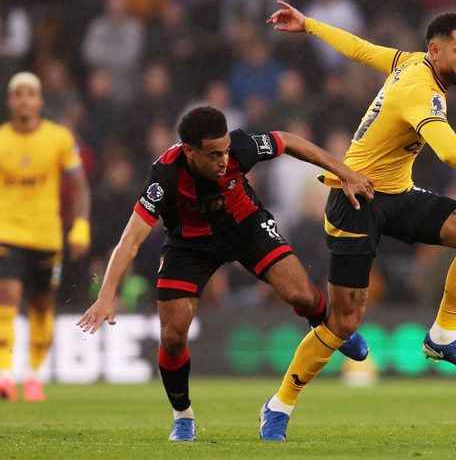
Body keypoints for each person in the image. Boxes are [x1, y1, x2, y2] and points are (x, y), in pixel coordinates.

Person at [260, 0, 456, 441]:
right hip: (353, 198)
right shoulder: (421, 89)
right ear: (436, 50)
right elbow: (451, 153)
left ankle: (442, 335)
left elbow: (360, 49)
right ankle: (278, 405)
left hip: (395, 194)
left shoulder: (410, 61)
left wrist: (309, 25)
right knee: (342, 324)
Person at [76, 106, 375, 441]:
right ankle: (182, 415)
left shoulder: (239, 147)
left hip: (245, 226)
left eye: (225, 151)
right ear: (189, 151)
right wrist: (106, 295)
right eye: (214, 154)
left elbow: (288, 141)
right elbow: (131, 239)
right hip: (189, 245)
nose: (223, 160)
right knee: (173, 337)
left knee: (301, 294)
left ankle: (331, 328)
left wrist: (343, 170)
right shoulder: (164, 175)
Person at [0, 72, 91, 402]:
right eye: (18, 94)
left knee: (41, 305)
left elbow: (79, 186)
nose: (24, 99)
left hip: (46, 237)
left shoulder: (59, 138)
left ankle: (35, 376)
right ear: (10, 101)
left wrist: (80, 225)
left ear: (39, 100)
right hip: (6, 234)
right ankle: (5, 375)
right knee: (6, 299)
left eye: (30, 94)